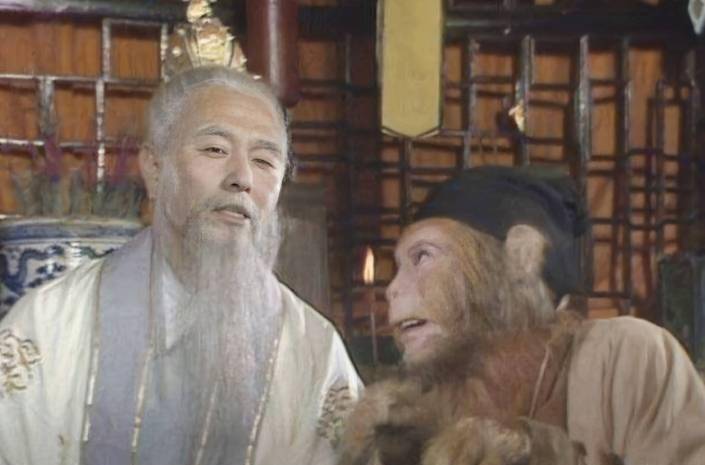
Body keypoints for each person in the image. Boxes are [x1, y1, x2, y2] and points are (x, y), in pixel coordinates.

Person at [0, 66, 362, 465]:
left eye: (264, 160)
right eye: (215, 150)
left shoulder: (312, 348)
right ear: (155, 169)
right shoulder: (49, 326)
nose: (242, 177)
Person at [340, 166, 705, 465]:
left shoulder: (621, 357)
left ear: (518, 259)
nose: (392, 289)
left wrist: (539, 452)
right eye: (397, 266)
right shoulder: (425, 407)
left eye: (422, 256)